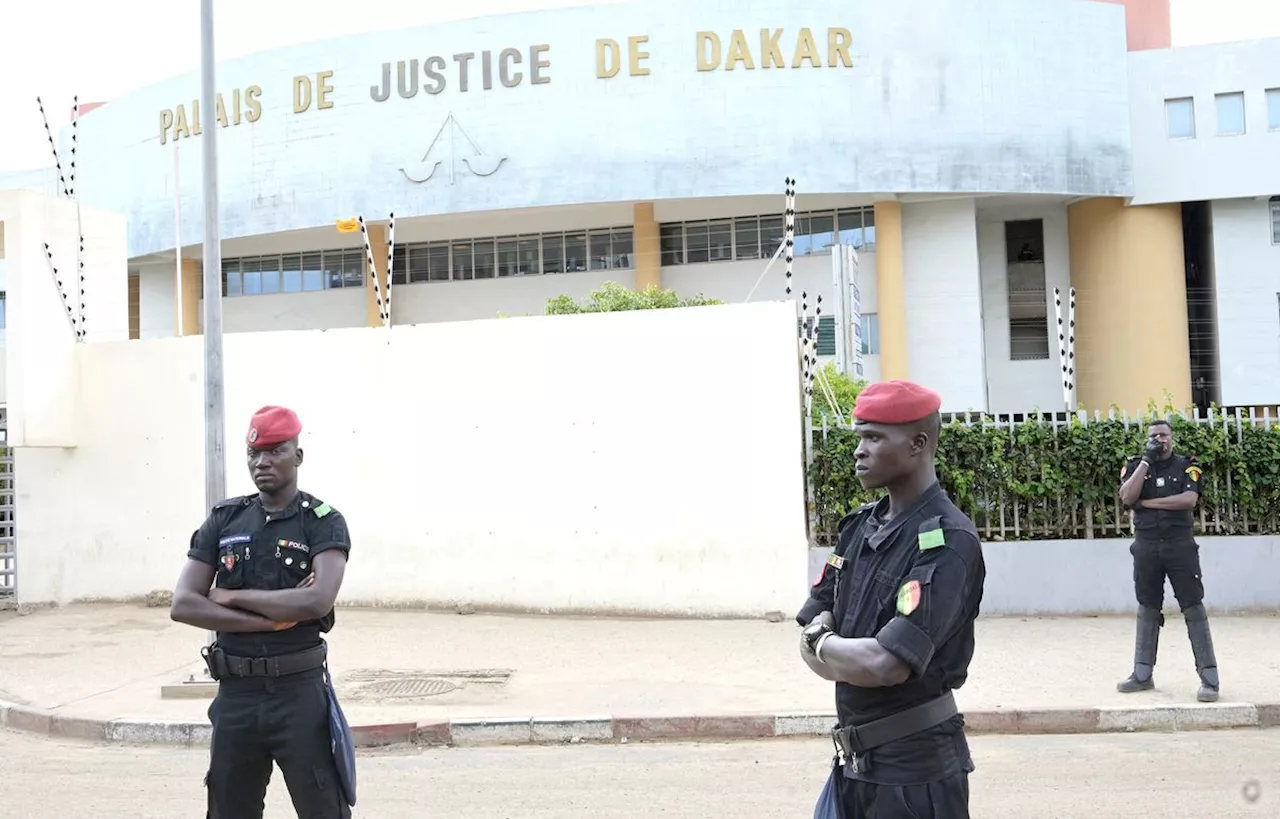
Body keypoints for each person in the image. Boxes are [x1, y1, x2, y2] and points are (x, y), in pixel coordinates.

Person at [796, 380, 986, 819]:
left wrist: (823, 645)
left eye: (874, 437)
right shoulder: (860, 527)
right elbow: (813, 617)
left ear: (918, 443)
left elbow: (885, 664)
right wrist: (830, 645)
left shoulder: (946, 543)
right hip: (853, 768)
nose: (859, 450)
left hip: (915, 776)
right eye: (860, 436)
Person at [170, 405, 355, 818]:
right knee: (229, 809)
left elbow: (316, 600)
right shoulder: (225, 519)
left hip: (299, 694)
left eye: (275, 451)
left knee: (323, 809)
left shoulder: (322, 523)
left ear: (298, 456)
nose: (262, 462)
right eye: (254, 453)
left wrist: (231, 596)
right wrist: (272, 618)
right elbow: (183, 603)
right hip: (236, 695)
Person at [1116, 419, 1219, 702]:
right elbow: (1126, 496)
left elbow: (1188, 500)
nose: (1159, 439)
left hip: (1179, 546)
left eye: (1163, 435)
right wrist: (1146, 462)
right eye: (1154, 436)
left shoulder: (1188, 465)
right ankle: (1142, 674)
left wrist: (1145, 504)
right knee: (1147, 606)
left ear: (1171, 438)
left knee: (1193, 606)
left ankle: (1209, 678)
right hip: (1147, 546)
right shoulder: (1137, 465)